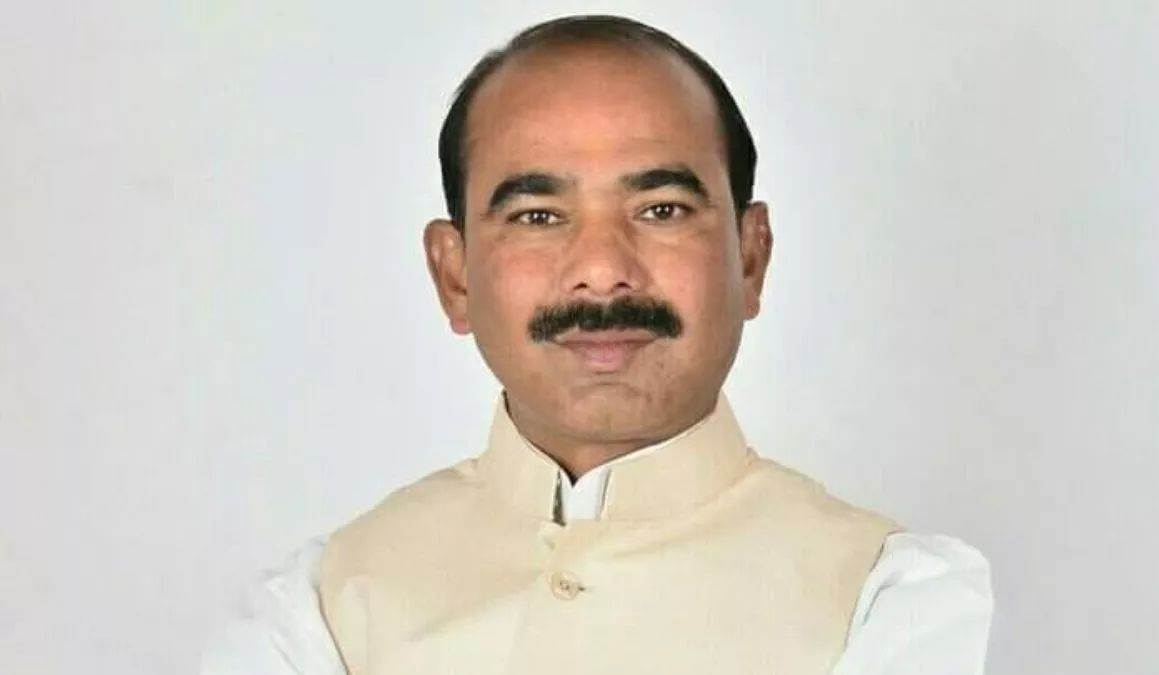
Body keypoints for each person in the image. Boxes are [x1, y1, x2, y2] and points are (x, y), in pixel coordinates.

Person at [202, 15, 992, 675]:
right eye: (538, 216)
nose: (604, 270)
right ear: (455, 276)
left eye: (661, 209)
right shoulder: (320, 611)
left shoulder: (888, 602)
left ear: (750, 259)